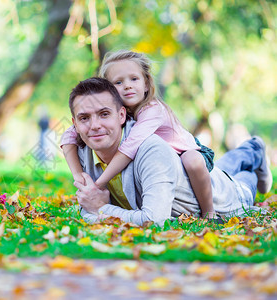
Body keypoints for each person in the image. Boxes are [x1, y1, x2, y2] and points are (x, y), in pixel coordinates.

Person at [67, 77, 272, 226]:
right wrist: (96, 208)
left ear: (122, 115)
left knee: (244, 180)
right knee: (222, 167)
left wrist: (102, 210)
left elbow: (154, 220)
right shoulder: (84, 150)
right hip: (198, 174)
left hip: (227, 195)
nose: (94, 126)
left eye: (104, 114)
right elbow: (85, 207)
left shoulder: (151, 150)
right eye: (84, 118)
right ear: (75, 123)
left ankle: (254, 149)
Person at [62, 50, 216, 218]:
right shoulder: (118, 112)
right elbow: (68, 136)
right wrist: (79, 178)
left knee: (192, 161)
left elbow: (129, 149)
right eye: (118, 82)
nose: (127, 85)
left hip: (186, 150)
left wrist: (97, 185)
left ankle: (209, 212)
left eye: (134, 79)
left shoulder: (152, 110)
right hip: (165, 156)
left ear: (146, 84)